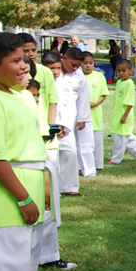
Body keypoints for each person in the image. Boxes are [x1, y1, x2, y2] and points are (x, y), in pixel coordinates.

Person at [0, 32, 46, 271]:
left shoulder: (17, 96)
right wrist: (24, 196)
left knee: (24, 269)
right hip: (9, 202)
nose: (23, 66)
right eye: (15, 60)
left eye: (24, 59)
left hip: (29, 189)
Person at [53, 47, 95, 194]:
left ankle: (69, 186)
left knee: (70, 152)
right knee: (53, 155)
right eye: (72, 64)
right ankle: (53, 186)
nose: (75, 68)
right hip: (53, 116)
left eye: (78, 65)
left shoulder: (79, 75)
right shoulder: (54, 72)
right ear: (64, 58)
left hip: (69, 118)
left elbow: (83, 97)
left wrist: (82, 118)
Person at [109, 59, 136, 164]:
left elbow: (130, 102)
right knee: (124, 136)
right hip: (117, 114)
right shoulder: (119, 82)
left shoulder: (129, 84)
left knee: (120, 138)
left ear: (130, 71)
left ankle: (116, 159)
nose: (121, 73)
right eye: (119, 71)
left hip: (124, 115)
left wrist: (125, 115)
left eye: (124, 70)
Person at [17, 33, 57, 126]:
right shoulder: (15, 73)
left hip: (43, 122)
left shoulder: (46, 71)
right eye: (26, 50)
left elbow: (52, 101)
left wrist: (51, 125)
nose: (31, 54)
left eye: (33, 50)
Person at [81, 52, 109, 170]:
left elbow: (103, 93)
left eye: (91, 63)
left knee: (97, 141)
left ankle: (98, 164)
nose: (88, 66)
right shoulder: (78, 76)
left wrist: (96, 103)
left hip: (95, 113)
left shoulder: (99, 76)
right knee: (83, 141)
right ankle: (82, 165)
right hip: (81, 114)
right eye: (85, 63)